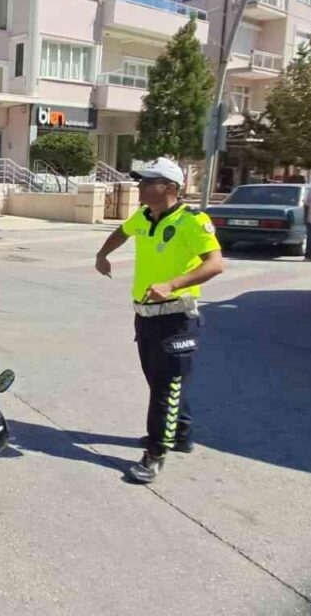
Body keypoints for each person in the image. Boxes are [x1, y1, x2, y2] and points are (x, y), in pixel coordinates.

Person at [94, 157, 225, 484]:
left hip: (176, 318)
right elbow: (121, 232)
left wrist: (172, 284)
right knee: (160, 383)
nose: (139, 186)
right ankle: (181, 434)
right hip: (145, 317)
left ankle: (155, 454)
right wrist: (102, 254)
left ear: (169, 187)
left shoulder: (192, 221)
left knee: (166, 389)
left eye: (147, 182)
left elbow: (215, 264)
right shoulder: (143, 215)